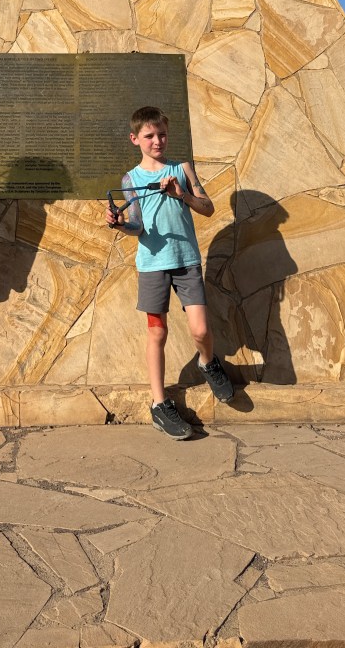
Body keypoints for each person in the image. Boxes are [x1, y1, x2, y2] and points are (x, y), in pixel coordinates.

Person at [105, 105, 233, 439]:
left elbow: (208, 208)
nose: (157, 141)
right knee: (157, 333)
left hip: (186, 261)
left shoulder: (182, 168)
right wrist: (120, 224)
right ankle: (160, 404)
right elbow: (136, 225)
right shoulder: (130, 179)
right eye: (149, 136)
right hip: (152, 265)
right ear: (135, 139)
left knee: (200, 330)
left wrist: (182, 194)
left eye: (162, 134)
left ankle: (207, 362)